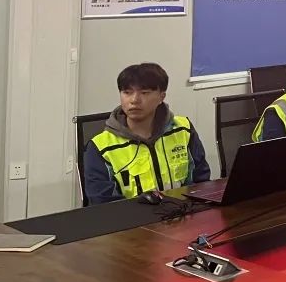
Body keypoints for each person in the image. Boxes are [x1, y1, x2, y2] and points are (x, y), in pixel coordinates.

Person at [85, 63, 210, 204]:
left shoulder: (183, 129)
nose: (134, 100)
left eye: (144, 93)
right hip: (131, 217)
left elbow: (201, 181)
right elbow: (103, 203)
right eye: (127, 92)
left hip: (184, 212)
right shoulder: (101, 147)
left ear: (161, 97)